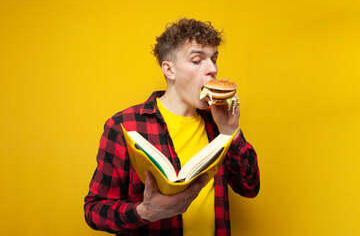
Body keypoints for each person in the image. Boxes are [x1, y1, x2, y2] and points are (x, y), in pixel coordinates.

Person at [84, 18, 260, 236]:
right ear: (169, 70)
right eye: (197, 60)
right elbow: (94, 210)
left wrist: (230, 131)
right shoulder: (123, 126)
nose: (212, 69)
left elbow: (250, 188)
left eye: (214, 59)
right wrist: (145, 212)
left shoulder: (217, 123)